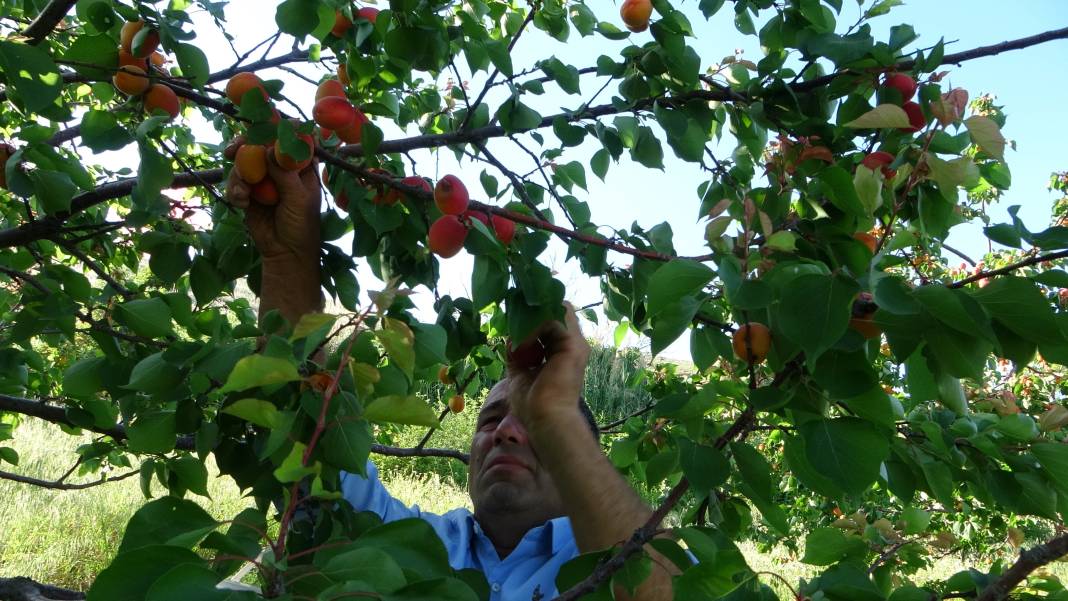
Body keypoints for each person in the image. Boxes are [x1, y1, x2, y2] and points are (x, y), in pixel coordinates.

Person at [225, 153, 679, 600]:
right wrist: (288, 255)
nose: (504, 432)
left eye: (535, 426)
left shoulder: (612, 562)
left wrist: (555, 415)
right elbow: (309, 428)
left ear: (579, 457)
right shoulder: (409, 546)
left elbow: (670, 594)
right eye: (488, 420)